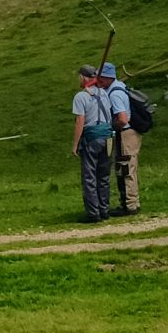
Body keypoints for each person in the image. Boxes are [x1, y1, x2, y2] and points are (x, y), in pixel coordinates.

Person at [97, 62, 141, 216]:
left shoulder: (114, 94)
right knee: (130, 167)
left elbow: (122, 119)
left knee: (125, 168)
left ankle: (129, 206)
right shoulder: (120, 86)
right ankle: (133, 202)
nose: (99, 80)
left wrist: (111, 125)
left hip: (124, 134)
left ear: (108, 77)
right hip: (131, 133)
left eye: (101, 77)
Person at [71, 64, 113, 223]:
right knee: (104, 176)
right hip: (108, 137)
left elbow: (79, 121)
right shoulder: (104, 93)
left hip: (92, 138)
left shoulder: (80, 97)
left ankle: (93, 213)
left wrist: (75, 144)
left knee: (90, 177)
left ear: (83, 77)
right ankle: (104, 210)